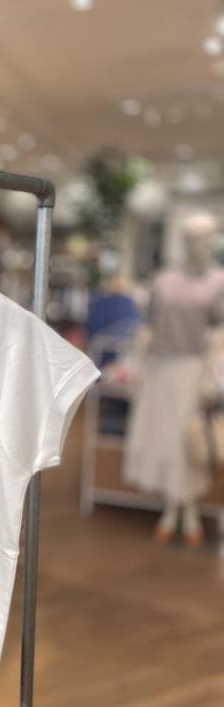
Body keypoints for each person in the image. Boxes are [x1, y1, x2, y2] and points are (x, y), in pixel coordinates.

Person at [124, 212, 224, 547]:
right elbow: (148, 327)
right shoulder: (163, 280)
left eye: (204, 238)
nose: (198, 245)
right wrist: (137, 368)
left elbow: (219, 334)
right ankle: (173, 511)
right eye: (192, 238)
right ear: (182, 240)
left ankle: (187, 513)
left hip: (194, 372)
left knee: (188, 444)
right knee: (167, 443)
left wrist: (211, 375)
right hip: (162, 371)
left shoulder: (218, 281)